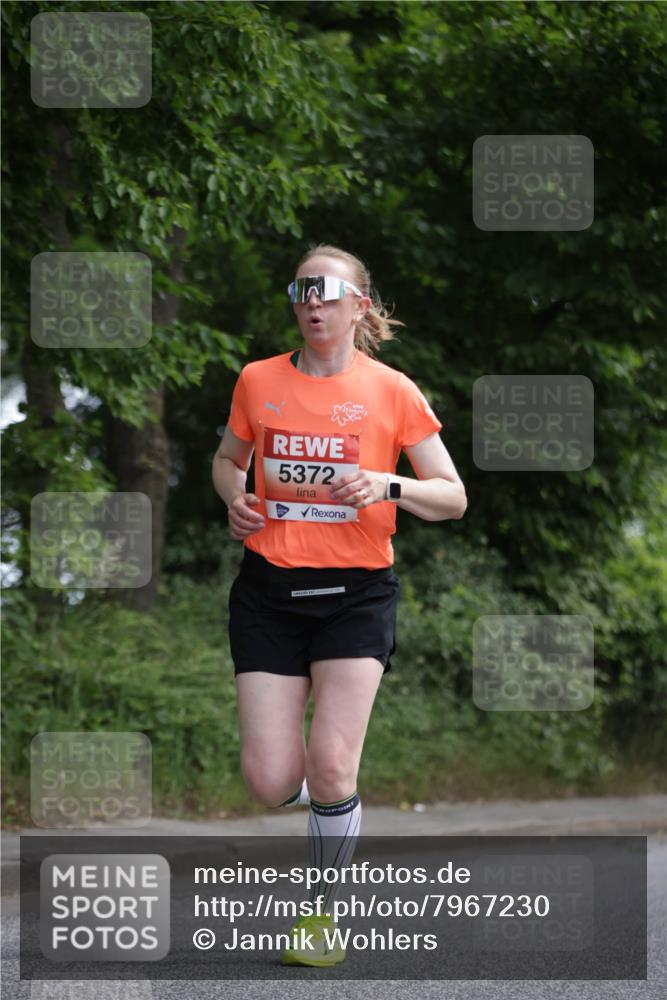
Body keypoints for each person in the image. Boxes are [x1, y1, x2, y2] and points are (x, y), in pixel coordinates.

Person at [212, 243, 467, 967]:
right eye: (302, 292)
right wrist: (236, 499)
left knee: (330, 764)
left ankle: (321, 919)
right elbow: (227, 460)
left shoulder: (391, 390)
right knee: (269, 782)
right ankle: (336, 808)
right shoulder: (258, 380)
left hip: (356, 596)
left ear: (359, 306)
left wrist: (386, 485)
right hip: (267, 595)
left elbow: (451, 497)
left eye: (328, 293)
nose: (313, 305)